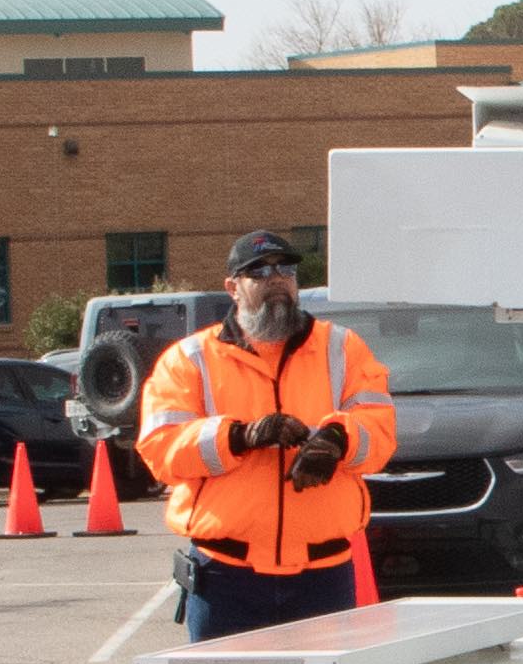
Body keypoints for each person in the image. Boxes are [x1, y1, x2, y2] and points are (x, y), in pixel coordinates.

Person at [136, 228, 398, 640]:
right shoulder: (189, 359)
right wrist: (238, 437)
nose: (276, 279)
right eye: (258, 272)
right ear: (232, 288)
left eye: (286, 270)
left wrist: (335, 440)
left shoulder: (342, 348)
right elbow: (160, 448)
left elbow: (379, 430)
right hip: (224, 579)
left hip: (324, 577)